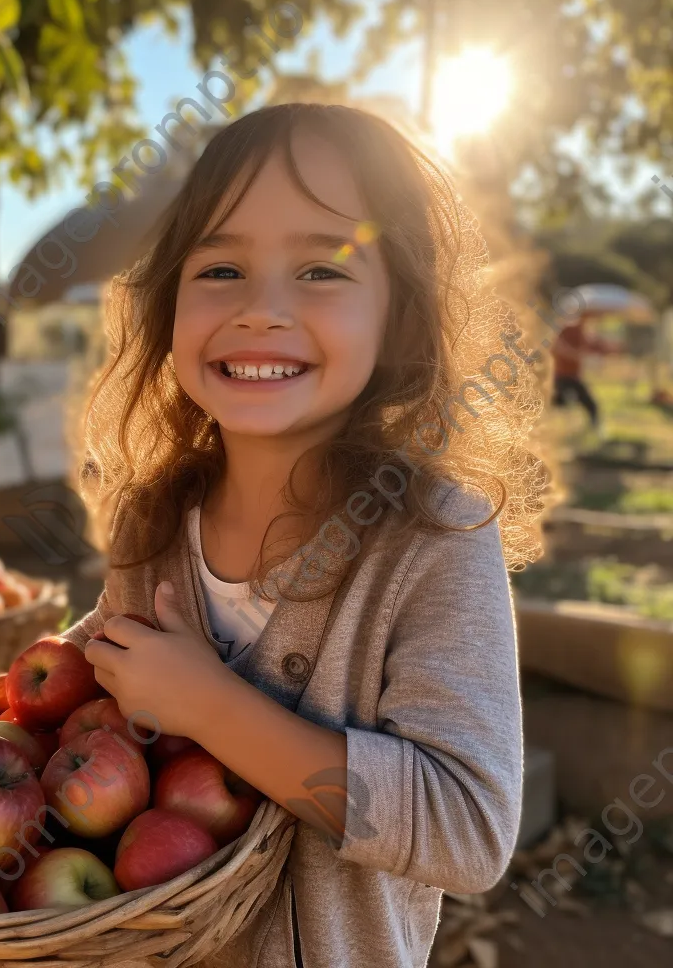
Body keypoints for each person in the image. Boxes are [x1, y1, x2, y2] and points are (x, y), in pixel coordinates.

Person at [58, 104, 548, 967]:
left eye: (322, 269)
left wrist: (211, 706)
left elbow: (467, 830)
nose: (260, 310)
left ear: (399, 317)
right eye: (219, 269)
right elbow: (121, 693)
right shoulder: (156, 521)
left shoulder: (434, 542)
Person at [551, 313, 615, 428]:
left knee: (589, 405)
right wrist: (576, 355)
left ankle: (593, 427)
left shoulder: (585, 333)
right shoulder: (568, 329)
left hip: (574, 376)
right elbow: (557, 347)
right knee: (561, 402)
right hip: (563, 375)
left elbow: (594, 347)